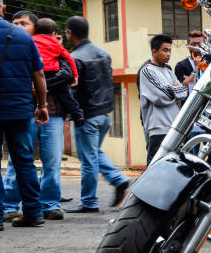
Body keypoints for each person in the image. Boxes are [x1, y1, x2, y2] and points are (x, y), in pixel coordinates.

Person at [0, 0, 49, 231]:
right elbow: (38, 74)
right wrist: (42, 105)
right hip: (20, 111)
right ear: (4, 9)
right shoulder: (22, 36)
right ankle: (33, 212)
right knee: (24, 161)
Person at [2, 12, 71, 222]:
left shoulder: (54, 49)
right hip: (23, 113)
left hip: (54, 114)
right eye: (15, 24)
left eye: (24, 23)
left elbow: (67, 74)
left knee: (52, 162)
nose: (19, 27)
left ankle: (49, 203)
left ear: (36, 27)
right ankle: (9, 205)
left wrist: (41, 86)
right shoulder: (13, 49)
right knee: (17, 161)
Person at [64, 16, 129, 213]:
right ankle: (119, 180)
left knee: (89, 158)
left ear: (69, 33)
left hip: (87, 116)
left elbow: (73, 91)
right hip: (105, 114)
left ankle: (89, 202)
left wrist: (71, 115)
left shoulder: (76, 58)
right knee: (92, 153)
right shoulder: (103, 53)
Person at [139, 34, 188, 164]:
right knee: (155, 170)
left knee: (175, 170)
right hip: (158, 129)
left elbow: (184, 93)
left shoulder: (168, 71)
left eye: (170, 50)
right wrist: (175, 88)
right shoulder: (147, 71)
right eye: (165, 50)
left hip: (174, 128)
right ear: (154, 52)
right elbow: (162, 97)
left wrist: (172, 88)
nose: (168, 54)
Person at [33, 17, 84, 126]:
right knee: (65, 93)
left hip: (38, 70)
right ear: (53, 33)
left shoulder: (31, 40)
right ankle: (78, 114)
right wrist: (75, 75)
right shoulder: (55, 43)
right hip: (53, 70)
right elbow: (69, 58)